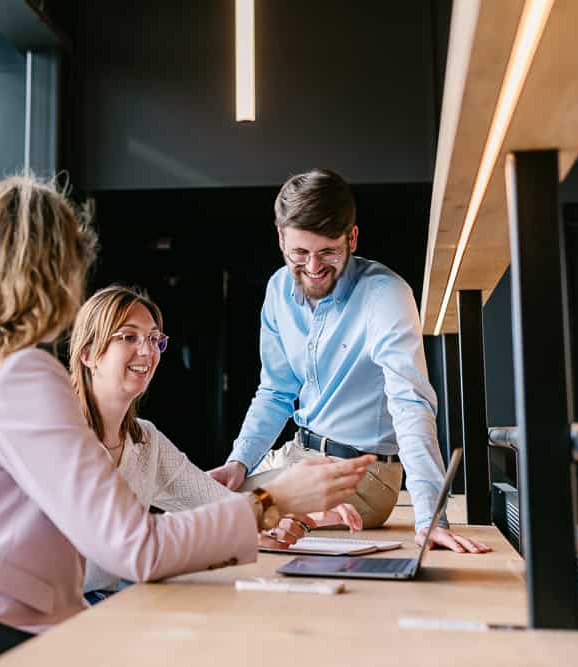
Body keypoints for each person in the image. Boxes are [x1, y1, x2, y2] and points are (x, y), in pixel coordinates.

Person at [0, 174, 374, 634]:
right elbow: (137, 548)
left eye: (152, 339)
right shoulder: (20, 376)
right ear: (59, 273)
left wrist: (278, 510)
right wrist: (273, 500)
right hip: (1, 639)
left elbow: (176, 520)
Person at [208, 168, 490, 554]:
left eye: (327, 252)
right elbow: (275, 391)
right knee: (209, 506)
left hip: (362, 472)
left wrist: (429, 518)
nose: (313, 268)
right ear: (281, 240)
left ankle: (304, 516)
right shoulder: (277, 290)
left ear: (352, 237)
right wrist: (238, 462)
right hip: (297, 457)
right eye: (300, 254)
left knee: (241, 520)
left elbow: (410, 403)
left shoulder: (386, 295)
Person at [69, 285, 362, 603]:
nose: (147, 351)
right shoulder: (65, 438)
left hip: (113, 597)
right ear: (88, 354)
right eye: (129, 337)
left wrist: (299, 508)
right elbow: (127, 548)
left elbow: (216, 503)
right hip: (70, 611)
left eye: (155, 339)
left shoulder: (144, 439)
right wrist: (275, 504)